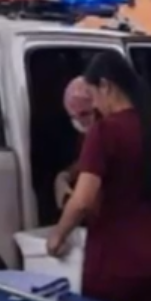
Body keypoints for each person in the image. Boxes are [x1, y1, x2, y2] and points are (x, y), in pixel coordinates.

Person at [46, 52, 151, 301]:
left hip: (115, 266)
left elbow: (83, 200)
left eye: (94, 94)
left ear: (106, 86)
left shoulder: (105, 132)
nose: (94, 104)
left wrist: (58, 236)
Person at [52, 76, 98, 208]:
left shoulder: (110, 134)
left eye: (84, 114)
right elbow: (85, 162)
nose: (79, 121)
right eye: (73, 116)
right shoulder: (84, 136)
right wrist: (64, 177)